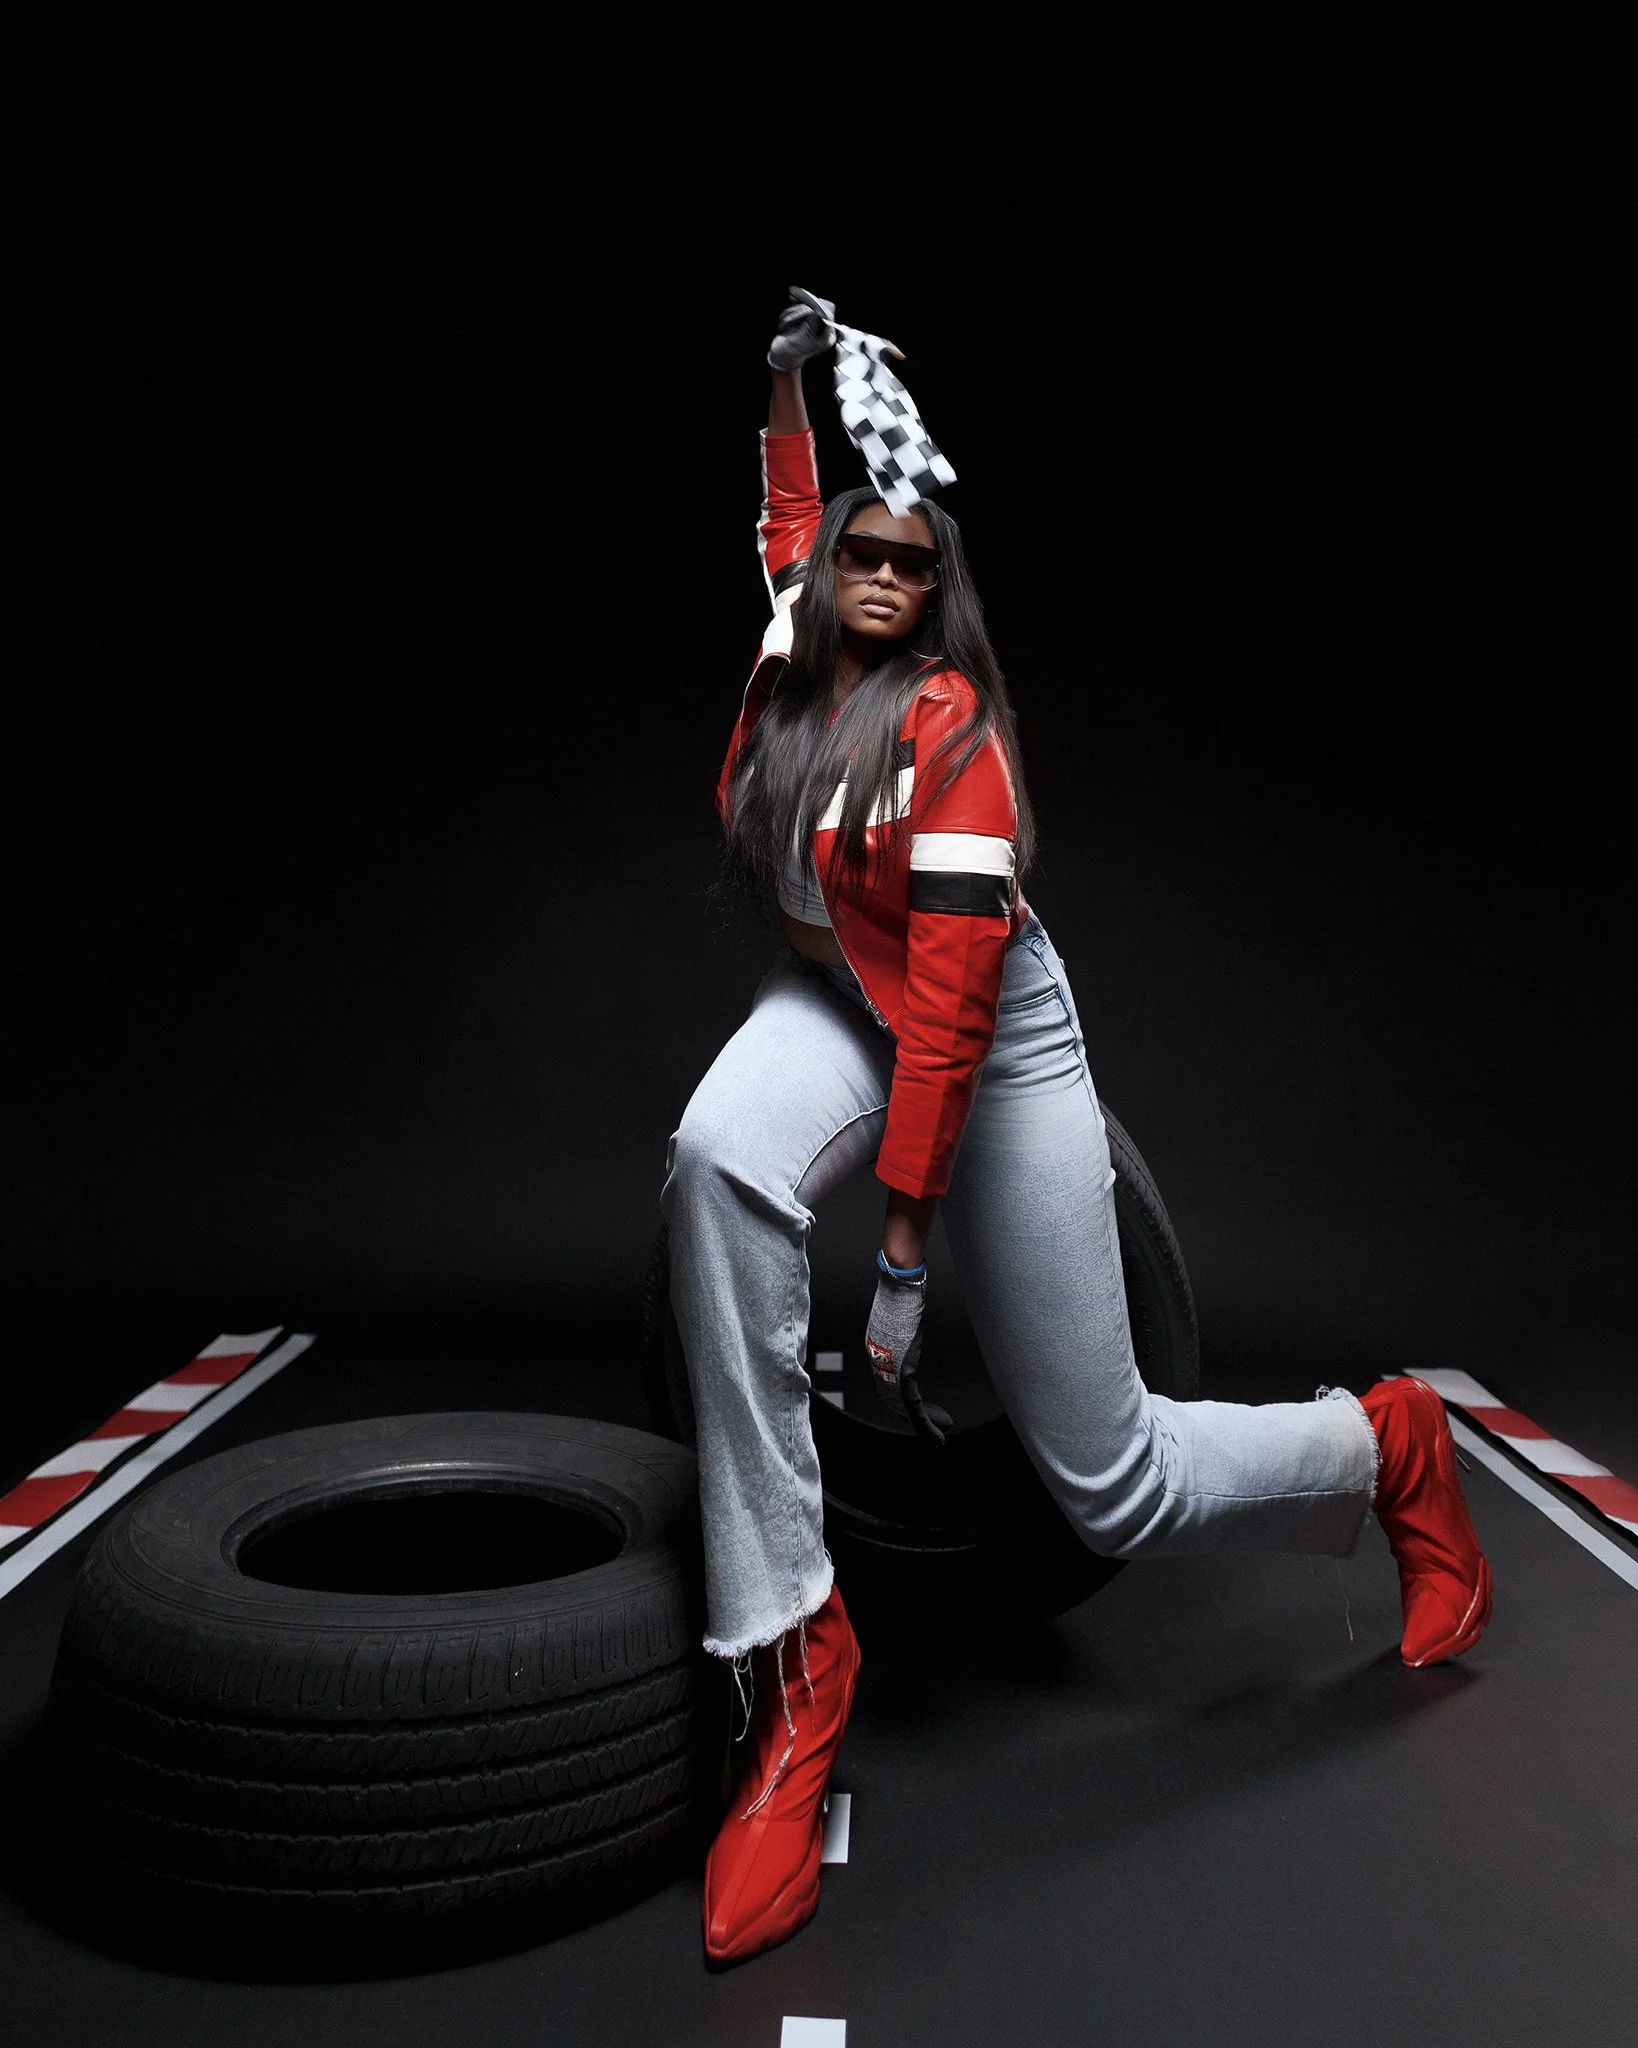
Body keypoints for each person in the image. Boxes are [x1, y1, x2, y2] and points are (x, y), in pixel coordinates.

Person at [660, 290, 1492, 1966]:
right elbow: (785, 505)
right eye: (857, 556)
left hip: (987, 1044)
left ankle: (1383, 1442)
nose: (877, 579)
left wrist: (900, 1263)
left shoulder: (951, 740)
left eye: (911, 563)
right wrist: (783, 376)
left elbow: (953, 1020)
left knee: (1112, 1486)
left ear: (937, 584)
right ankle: (794, 1647)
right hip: (839, 997)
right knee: (715, 1158)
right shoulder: (791, 635)